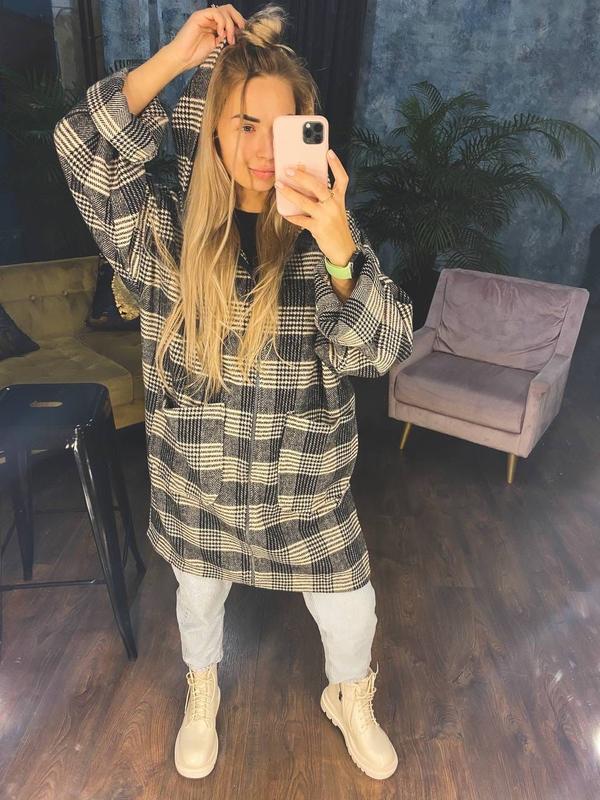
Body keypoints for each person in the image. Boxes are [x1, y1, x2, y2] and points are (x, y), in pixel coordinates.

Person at [54, 2, 413, 783]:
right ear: (213, 130)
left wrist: (341, 249)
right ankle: (203, 686)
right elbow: (81, 147)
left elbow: (383, 351)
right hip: (200, 483)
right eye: (245, 124)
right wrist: (175, 60)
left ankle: (349, 696)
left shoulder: (325, 238)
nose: (261, 148)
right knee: (197, 601)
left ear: (308, 135)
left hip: (306, 489)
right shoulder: (161, 237)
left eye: (281, 129)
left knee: (352, 609)